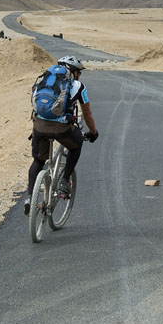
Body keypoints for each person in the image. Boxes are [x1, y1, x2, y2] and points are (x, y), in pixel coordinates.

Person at [25, 55, 99, 215]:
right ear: (74, 72)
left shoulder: (44, 80)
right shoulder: (79, 86)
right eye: (79, 72)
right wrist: (93, 132)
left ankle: (30, 198)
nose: (79, 75)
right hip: (61, 128)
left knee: (38, 160)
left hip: (39, 126)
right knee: (77, 144)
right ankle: (65, 181)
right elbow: (87, 113)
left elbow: (35, 105)